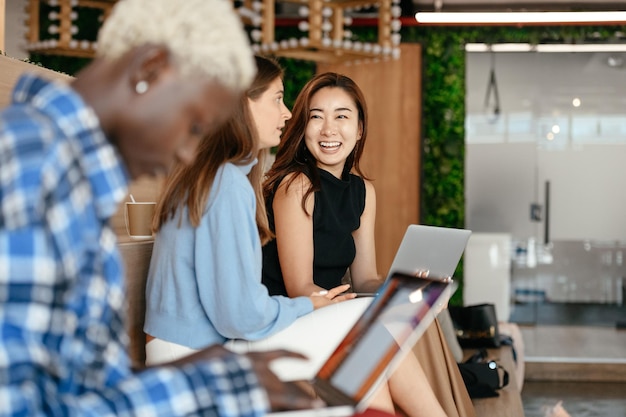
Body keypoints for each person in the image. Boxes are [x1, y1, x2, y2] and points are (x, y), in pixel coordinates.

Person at [0, 0, 320, 415]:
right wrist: (205, 388)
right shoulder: (32, 167)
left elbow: (77, 387)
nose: (189, 153)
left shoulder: (61, 171)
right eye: (194, 121)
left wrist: (193, 375)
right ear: (149, 71)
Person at [261, 73, 451, 417]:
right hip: (294, 317)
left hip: (338, 315)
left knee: (403, 319)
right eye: (316, 116)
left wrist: (407, 285)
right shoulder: (295, 186)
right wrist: (365, 309)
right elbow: (300, 289)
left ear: (360, 129)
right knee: (382, 331)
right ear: (303, 127)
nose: (328, 129)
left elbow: (365, 279)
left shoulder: (363, 191)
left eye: (342, 116)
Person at [144, 55, 354, 366]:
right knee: (361, 329)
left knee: (360, 331)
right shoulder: (226, 183)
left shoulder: (211, 174)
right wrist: (306, 306)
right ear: (243, 103)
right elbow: (240, 315)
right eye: (277, 99)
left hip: (184, 348)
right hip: (194, 356)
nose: (286, 114)